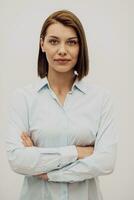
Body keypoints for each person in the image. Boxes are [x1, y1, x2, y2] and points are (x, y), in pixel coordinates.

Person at [6, 10, 117, 200]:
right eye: (54, 41)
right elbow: (18, 161)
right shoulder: (23, 98)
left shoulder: (101, 99)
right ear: (42, 44)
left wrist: (46, 168)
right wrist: (78, 152)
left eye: (71, 42)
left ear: (80, 47)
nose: (62, 50)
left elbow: (106, 161)